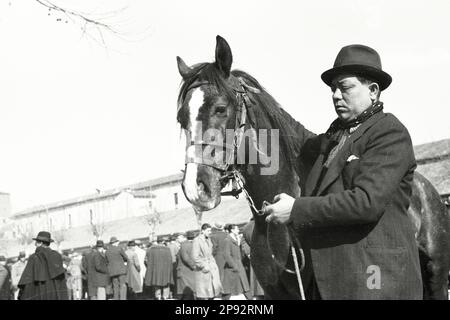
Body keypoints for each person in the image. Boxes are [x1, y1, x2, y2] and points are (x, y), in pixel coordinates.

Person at [263, 44, 422, 300]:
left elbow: (365, 202)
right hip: (334, 282)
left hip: (376, 283)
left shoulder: (389, 132)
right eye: (333, 89)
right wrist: (262, 106)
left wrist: (296, 210)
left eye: (345, 87)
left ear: (373, 91)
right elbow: (298, 138)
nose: (336, 95)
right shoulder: (335, 137)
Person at [17, 231, 68, 300]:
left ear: (40, 243)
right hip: (55, 294)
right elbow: (62, 281)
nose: (35, 245)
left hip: (39, 294)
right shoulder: (57, 256)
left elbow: (26, 281)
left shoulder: (34, 258)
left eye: (36, 243)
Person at [191, 223, 222, 300]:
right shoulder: (197, 240)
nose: (210, 232)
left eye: (210, 230)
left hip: (211, 268)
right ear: (202, 231)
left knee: (212, 293)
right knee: (204, 295)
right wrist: (204, 265)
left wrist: (213, 264)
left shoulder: (209, 240)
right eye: (208, 231)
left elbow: (210, 254)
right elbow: (195, 257)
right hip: (203, 270)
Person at [222, 224, 251, 300]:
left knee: (243, 285)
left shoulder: (236, 239)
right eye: (237, 229)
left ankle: (248, 297)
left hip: (239, 264)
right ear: (232, 230)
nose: (238, 230)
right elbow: (226, 254)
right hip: (233, 266)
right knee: (231, 289)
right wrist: (233, 266)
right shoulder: (227, 240)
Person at [144, 235, 174, 300]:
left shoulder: (151, 249)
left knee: (157, 283)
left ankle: (158, 297)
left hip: (155, 270)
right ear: (163, 241)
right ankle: (165, 296)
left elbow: (146, 260)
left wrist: (151, 268)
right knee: (166, 283)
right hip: (166, 270)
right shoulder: (167, 249)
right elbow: (171, 260)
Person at [176, 231, 196, 300]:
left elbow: (185, 258)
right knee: (192, 291)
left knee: (186, 293)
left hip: (185, 271)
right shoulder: (195, 244)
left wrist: (193, 265)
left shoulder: (184, 245)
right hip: (192, 271)